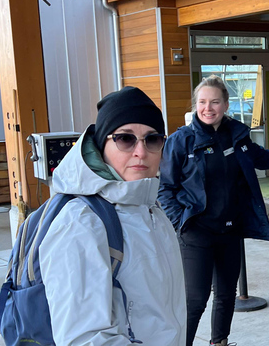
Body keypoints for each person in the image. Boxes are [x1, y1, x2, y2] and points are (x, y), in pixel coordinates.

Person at [158, 75, 269, 346]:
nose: (208, 108)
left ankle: (219, 342)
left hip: (230, 230)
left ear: (225, 104)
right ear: (195, 105)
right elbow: (165, 189)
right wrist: (182, 223)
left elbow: (263, 158)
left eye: (214, 102)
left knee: (226, 295)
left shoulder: (237, 135)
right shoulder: (181, 141)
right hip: (197, 234)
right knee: (195, 300)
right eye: (202, 102)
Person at [40, 86, 186, 346]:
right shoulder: (81, 222)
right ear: (102, 144)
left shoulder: (149, 208)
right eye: (125, 139)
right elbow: (84, 339)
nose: (141, 152)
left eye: (152, 139)